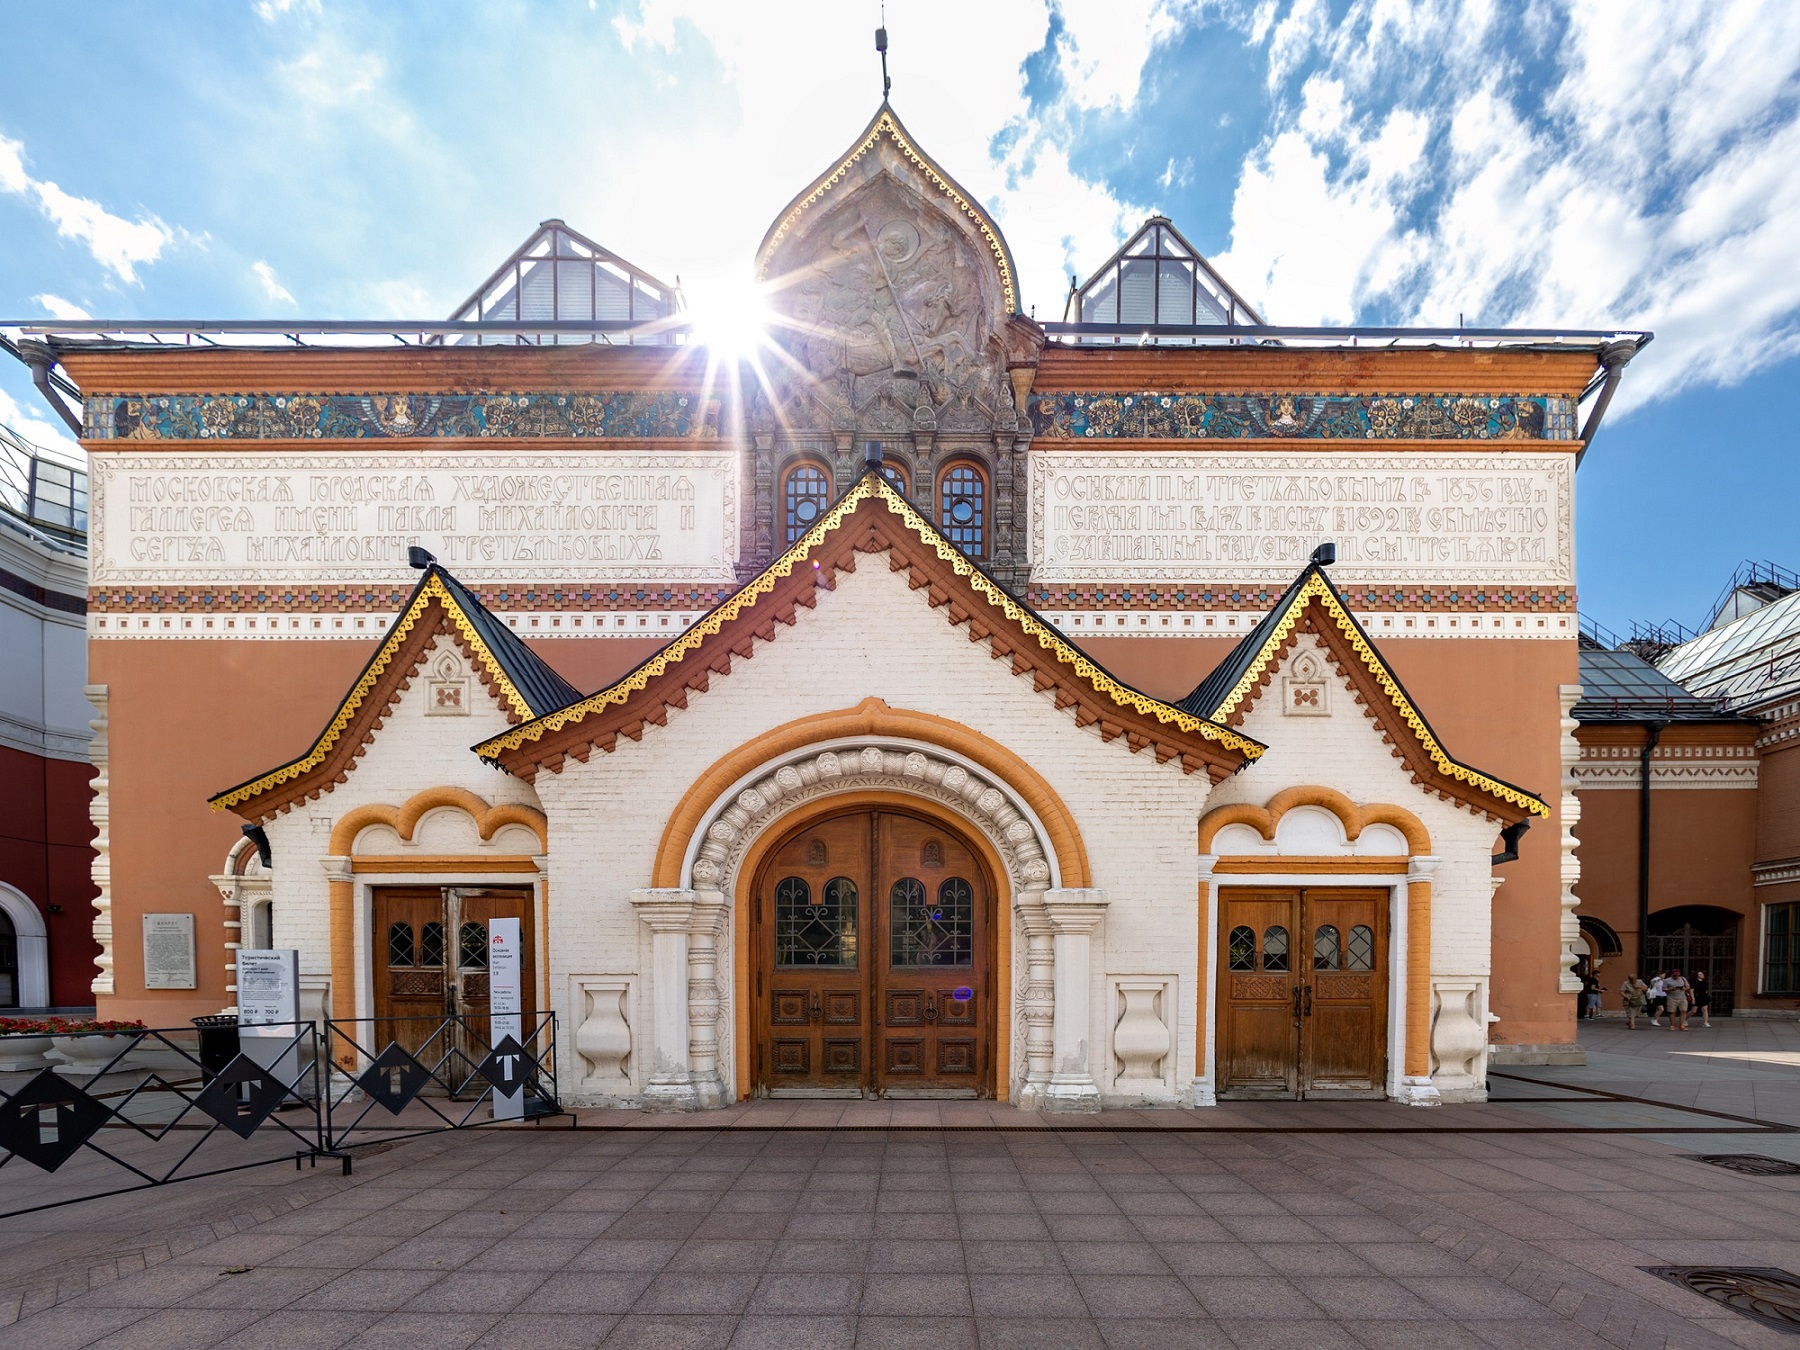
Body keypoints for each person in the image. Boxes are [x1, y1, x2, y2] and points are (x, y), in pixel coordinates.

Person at [1664, 967, 1692, 1031]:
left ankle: (1681, 1025)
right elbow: (1663, 989)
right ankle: (1672, 1025)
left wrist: (1684, 988)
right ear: (1672, 974)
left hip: (1682, 998)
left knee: (1684, 1011)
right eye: (1675, 975)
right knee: (1672, 1012)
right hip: (1671, 998)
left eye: (1678, 975)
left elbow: (1688, 987)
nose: (1676, 976)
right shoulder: (1667, 980)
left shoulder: (1683, 979)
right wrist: (1670, 989)